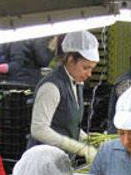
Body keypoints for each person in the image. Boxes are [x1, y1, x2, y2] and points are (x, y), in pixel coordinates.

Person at [28, 30, 100, 164]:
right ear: (70, 59)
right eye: (86, 68)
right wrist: (76, 147)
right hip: (44, 163)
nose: (89, 74)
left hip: (62, 162)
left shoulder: (77, 83)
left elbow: (68, 124)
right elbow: (38, 129)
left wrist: (88, 140)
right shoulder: (51, 86)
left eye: (92, 69)